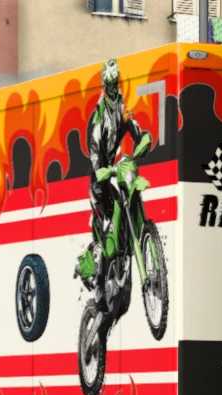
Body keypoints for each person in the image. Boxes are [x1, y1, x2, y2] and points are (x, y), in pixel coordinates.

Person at [76, 58, 152, 288]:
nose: (113, 87)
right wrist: (100, 170)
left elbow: (134, 127)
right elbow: (94, 150)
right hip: (99, 179)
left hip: (113, 172)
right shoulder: (98, 117)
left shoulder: (121, 108)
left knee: (123, 202)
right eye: (110, 83)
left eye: (115, 82)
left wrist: (142, 139)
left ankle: (132, 247)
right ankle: (94, 266)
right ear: (105, 84)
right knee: (107, 221)